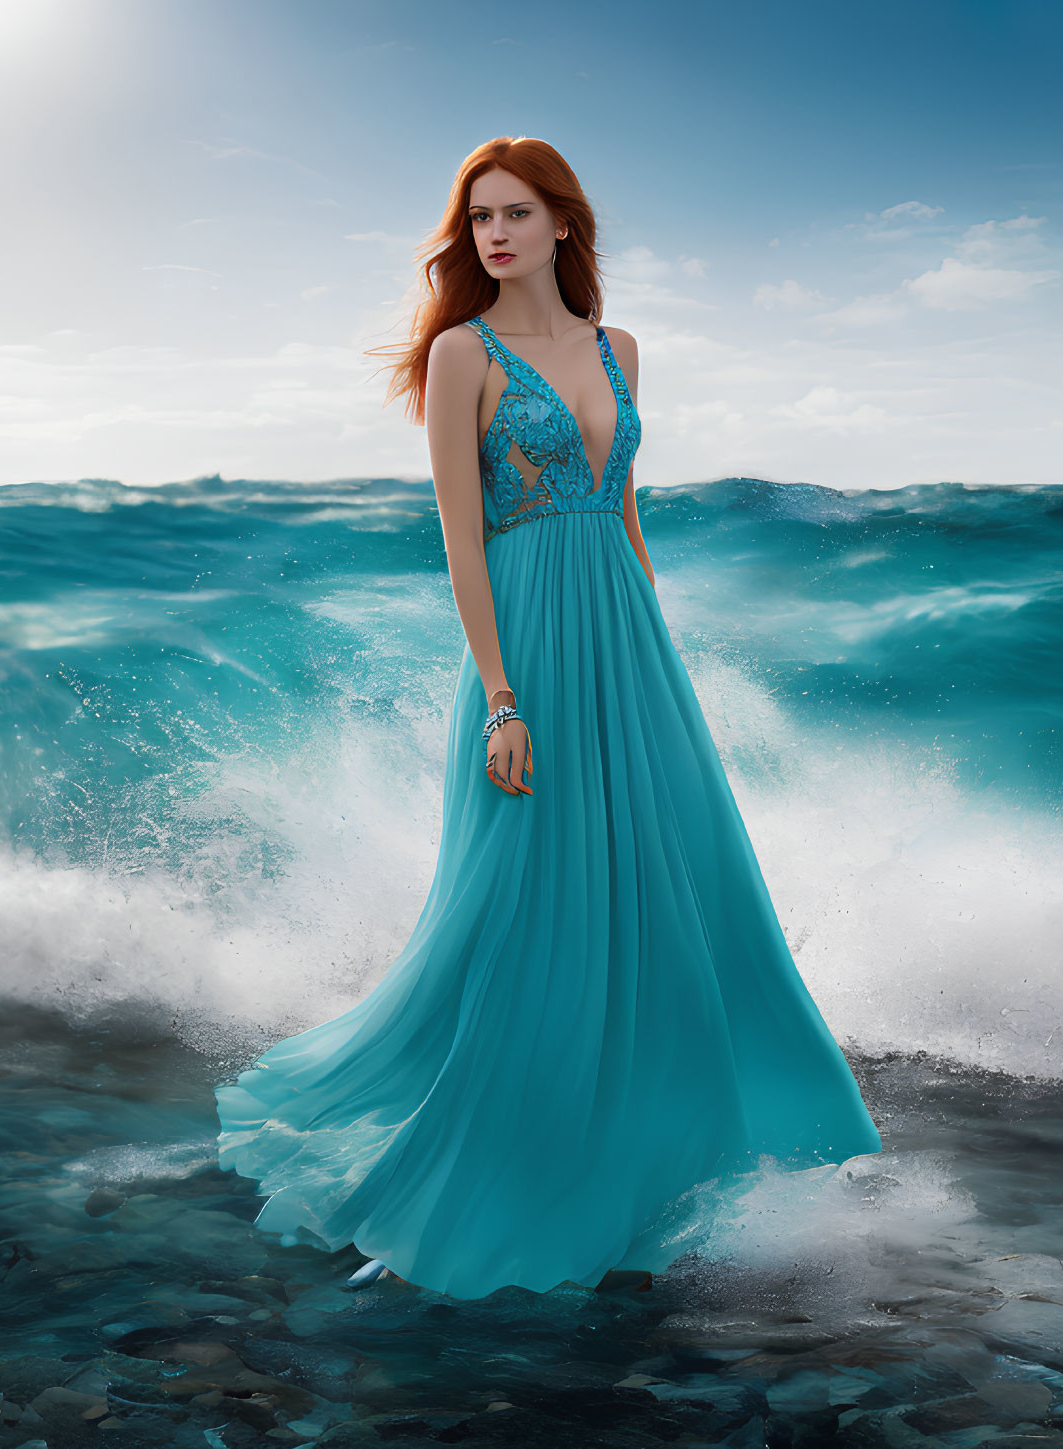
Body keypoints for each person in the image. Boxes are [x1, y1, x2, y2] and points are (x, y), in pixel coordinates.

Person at [213, 136, 882, 1300]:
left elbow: (624, 516)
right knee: (537, 891)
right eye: (479, 219)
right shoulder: (461, 357)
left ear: (564, 224)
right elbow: (461, 542)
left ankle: (681, 1129)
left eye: (517, 213)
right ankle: (518, 1146)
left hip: (629, 645)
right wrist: (503, 701)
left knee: (684, 877)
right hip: (526, 647)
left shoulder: (619, 351)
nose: (496, 235)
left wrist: (655, 652)